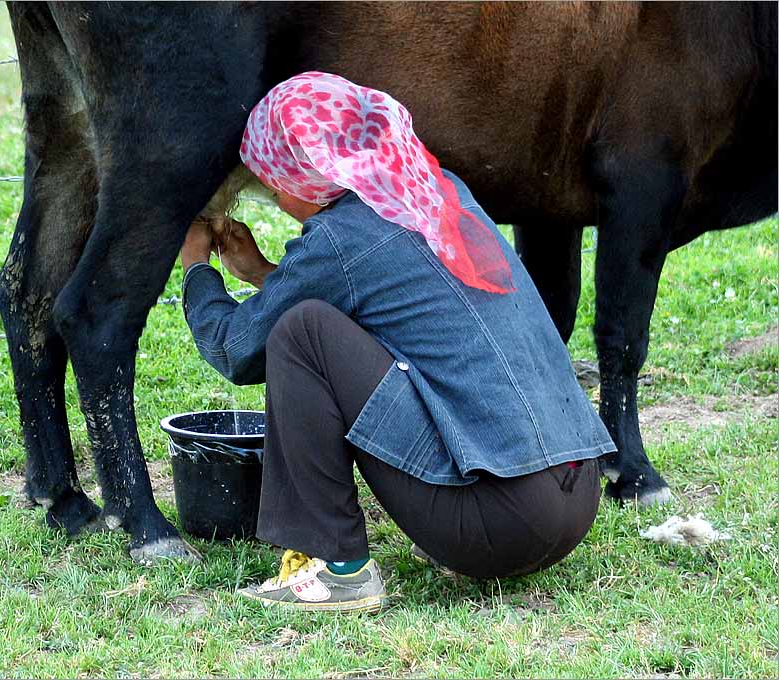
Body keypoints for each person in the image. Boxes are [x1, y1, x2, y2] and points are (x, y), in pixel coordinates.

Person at [178, 72, 615, 613]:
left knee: (299, 331)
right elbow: (385, 308)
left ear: (305, 176)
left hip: (499, 525)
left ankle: (338, 571)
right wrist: (266, 274)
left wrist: (197, 266)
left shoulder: (339, 239)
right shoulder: (438, 191)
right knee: (311, 323)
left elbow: (236, 348)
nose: (276, 196)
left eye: (273, 183)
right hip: (574, 498)